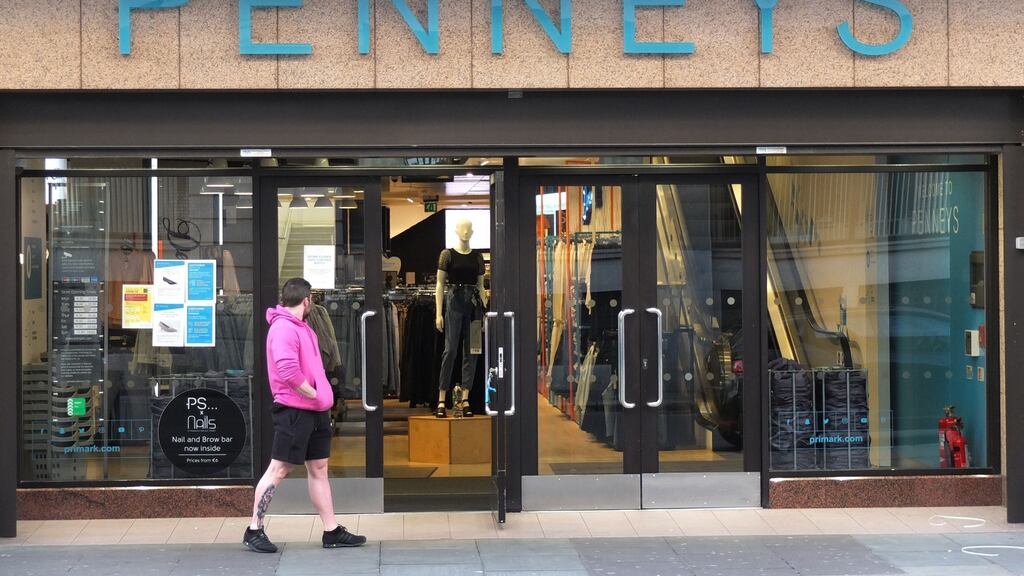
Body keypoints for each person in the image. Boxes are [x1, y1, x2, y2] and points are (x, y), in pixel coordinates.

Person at [243, 277, 367, 553]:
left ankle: (331, 531)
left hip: (314, 413)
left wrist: (320, 400)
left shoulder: (303, 327)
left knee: (319, 468)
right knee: (279, 469)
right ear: (307, 300)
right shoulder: (284, 328)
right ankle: (254, 529)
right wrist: (314, 394)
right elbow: (287, 372)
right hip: (295, 412)